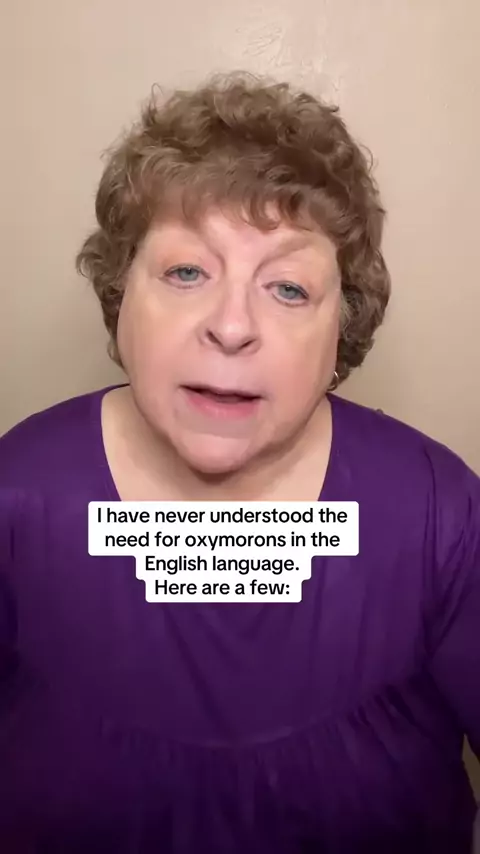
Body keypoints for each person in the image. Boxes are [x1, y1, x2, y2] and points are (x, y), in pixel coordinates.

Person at [0, 71, 479, 854]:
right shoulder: (15, 501)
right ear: (121, 297)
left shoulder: (440, 517)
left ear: (343, 326)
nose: (231, 326)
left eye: (287, 288)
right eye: (187, 272)